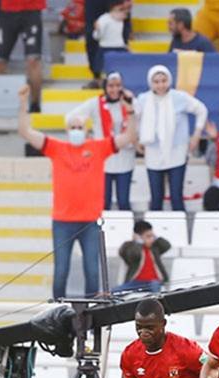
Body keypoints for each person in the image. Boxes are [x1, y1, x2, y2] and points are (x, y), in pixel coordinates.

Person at [18, 85, 134, 300]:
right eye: (72, 127)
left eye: (79, 127)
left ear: (87, 130)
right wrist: (24, 103)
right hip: (62, 221)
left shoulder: (99, 147)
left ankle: (91, 314)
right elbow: (25, 132)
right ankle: (57, 311)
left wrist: (131, 111)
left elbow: (129, 136)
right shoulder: (56, 147)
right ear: (67, 130)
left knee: (93, 271)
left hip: (90, 221)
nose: (76, 130)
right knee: (61, 271)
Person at [135, 65, 208, 212]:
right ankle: (153, 233)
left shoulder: (179, 97)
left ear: (169, 80)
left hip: (177, 152)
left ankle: (179, 232)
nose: (161, 85)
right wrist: (137, 140)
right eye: (156, 81)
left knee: (176, 196)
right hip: (153, 153)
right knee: (156, 197)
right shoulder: (143, 99)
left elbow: (201, 110)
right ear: (151, 83)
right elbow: (135, 120)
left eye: (164, 80)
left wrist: (196, 135)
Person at [66, 73, 137, 210]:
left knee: (124, 202)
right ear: (105, 87)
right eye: (111, 86)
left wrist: (130, 104)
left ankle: (126, 231)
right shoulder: (95, 103)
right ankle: (101, 232)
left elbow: (139, 120)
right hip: (103, 160)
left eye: (118, 85)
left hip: (125, 158)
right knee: (103, 202)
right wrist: (85, 135)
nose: (114, 89)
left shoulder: (130, 101)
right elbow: (70, 117)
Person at [0, 0, 45, 112]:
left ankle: (35, 104)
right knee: (0, 61)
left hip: (31, 11)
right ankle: (2, 100)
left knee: (33, 60)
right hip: (7, 11)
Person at [115, 220, 170, 293]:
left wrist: (155, 237)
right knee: (115, 291)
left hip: (154, 282)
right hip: (136, 282)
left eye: (152, 236)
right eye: (148, 236)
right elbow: (133, 255)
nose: (151, 239)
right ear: (139, 237)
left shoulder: (154, 248)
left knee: (155, 285)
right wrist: (138, 243)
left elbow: (167, 246)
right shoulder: (130, 246)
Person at [92, 0, 130, 76]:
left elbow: (124, 36)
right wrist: (98, 30)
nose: (123, 11)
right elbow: (96, 36)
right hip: (106, 48)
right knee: (104, 71)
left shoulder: (124, 21)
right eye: (120, 9)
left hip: (120, 47)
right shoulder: (104, 19)